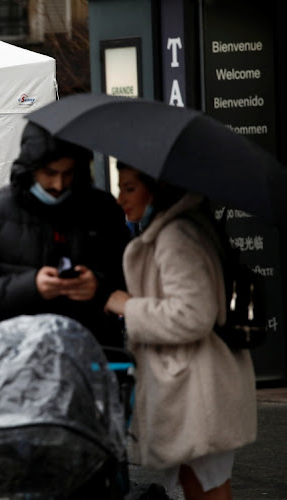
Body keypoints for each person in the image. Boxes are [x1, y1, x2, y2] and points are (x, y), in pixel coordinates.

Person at [104, 163, 257, 500]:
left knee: (207, 488)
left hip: (198, 384)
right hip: (199, 381)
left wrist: (127, 306)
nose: (120, 199)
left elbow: (193, 314)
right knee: (199, 485)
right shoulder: (186, 226)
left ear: (155, 187)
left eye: (129, 188)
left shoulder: (175, 236)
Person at [0, 121, 129, 347]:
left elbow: (132, 276)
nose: (58, 184)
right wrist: (31, 286)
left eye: (68, 173)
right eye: (50, 173)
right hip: (15, 359)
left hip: (89, 356)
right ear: (31, 169)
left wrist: (98, 285)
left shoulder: (103, 209)